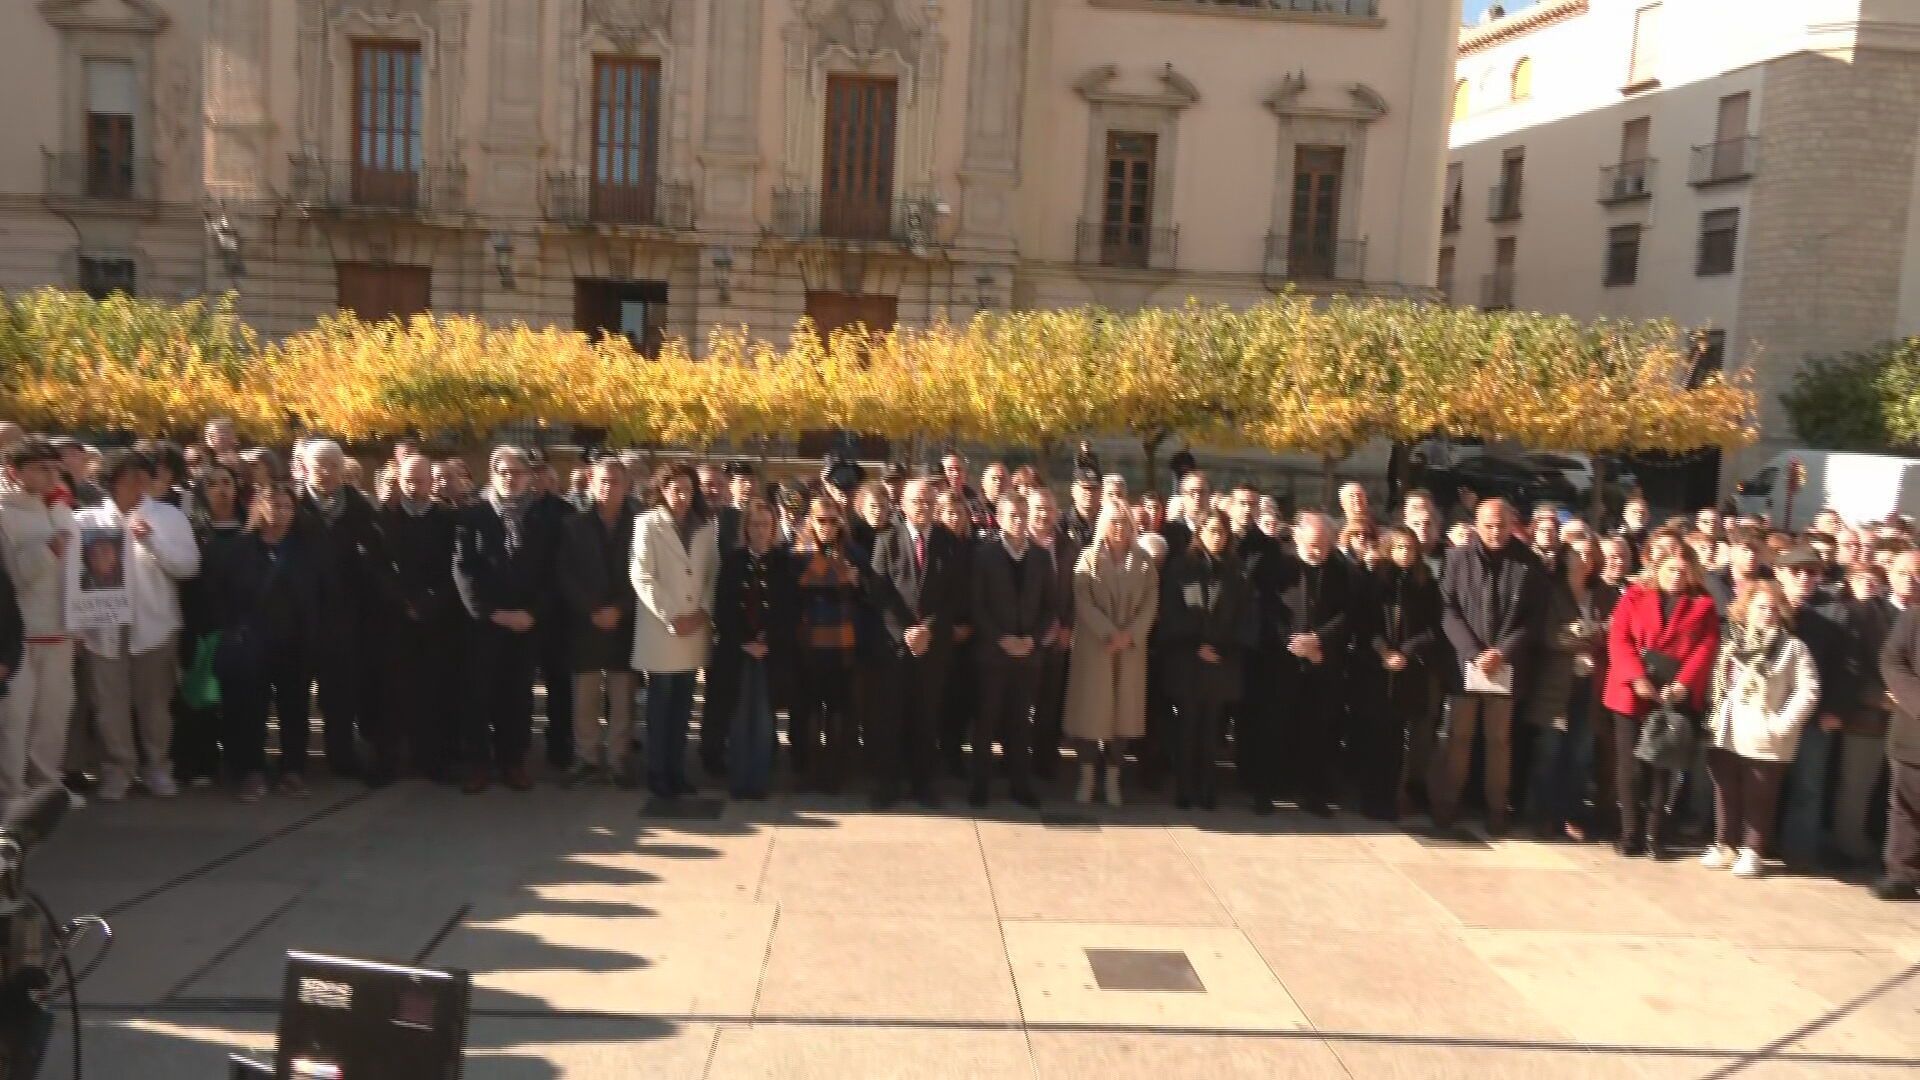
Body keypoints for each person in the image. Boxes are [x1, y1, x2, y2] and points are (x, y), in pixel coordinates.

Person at [73, 448, 200, 801]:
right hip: (103, 628)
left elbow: (189, 567)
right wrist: (78, 628)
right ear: (111, 480)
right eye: (130, 475)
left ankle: (158, 767)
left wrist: (151, 540)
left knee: (155, 705)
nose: (140, 482)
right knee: (108, 706)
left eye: (145, 474)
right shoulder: (85, 521)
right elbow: (73, 579)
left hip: (155, 626)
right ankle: (118, 770)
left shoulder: (168, 516)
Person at [454, 446, 563, 794]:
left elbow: (553, 573)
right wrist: (492, 613)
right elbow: (463, 571)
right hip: (485, 623)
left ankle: (512, 761)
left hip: (527, 622)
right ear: (492, 474)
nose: (509, 478)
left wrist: (532, 613)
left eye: (516, 472)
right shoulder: (472, 516)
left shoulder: (544, 521)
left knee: (517, 696)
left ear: (529, 477)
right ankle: (478, 764)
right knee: (477, 695)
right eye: (502, 471)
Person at [209, 482, 326, 801]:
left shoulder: (306, 549)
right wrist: (234, 629)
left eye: (287, 506)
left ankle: (293, 770)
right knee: (250, 710)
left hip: (295, 642)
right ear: (259, 508)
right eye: (273, 505)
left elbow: (320, 596)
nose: (279, 512)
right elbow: (220, 594)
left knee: (295, 708)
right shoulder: (240, 549)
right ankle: (253, 771)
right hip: (252, 643)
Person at [1697, 580, 1821, 878]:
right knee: (1725, 789)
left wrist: (1781, 724)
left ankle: (1753, 850)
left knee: (1760, 794)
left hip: (1765, 731)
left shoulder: (1793, 647)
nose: (1767, 614)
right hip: (1725, 727)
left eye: (1773, 608)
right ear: (1746, 609)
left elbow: (1809, 690)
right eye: (1760, 607)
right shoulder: (1732, 642)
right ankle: (1725, 843)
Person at [1433, 498, 1542, 834]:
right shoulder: (1456, 559)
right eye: (1488, 525)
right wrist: (1472, 652)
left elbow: (1535, 618)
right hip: (1466, 665)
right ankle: (1449, 803)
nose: (1495, 532)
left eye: (1501, 525)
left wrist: (1502, 652)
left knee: (1499, 741)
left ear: (1512, 525)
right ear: (1476, 525)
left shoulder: (1529, 564)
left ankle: (1497, 808)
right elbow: (1446, 609)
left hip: (1506, 666)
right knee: (1458, 737)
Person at [1603, 548, 1719, 858]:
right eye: (1670, 569)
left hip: (1672, 694)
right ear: (1657, 569)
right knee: (1630, 766)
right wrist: (1636, 677)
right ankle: (1630, 831)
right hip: (1631, 690)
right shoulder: (1634, 597)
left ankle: (1655, 833)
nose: (1676, 576)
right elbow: (1619, 638)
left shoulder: (1703, 605)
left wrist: (1683, 683)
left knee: (1662, 764)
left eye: (1682, 571)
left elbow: (1706, 648)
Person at [868, 479, 965, 808]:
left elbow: (954, 595)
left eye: (927, 499)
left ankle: (924, 784)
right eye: (915, 500)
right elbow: (880, 592)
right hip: (895, 645)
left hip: (932, 646)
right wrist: (908, 631)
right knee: (891, 716)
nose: (921, 505)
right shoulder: (887, 539)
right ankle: (887, 784)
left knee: (927, 716)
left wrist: (928, 630)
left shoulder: (949, 541)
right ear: (903, 505)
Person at [296, 440, 390, 781]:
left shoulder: (360, 508)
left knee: (340, 692)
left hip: (347, 616)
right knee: (294, 693)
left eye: (333, 465)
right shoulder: (292, 506)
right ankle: (294, 760)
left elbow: (378, 558)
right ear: (304, 468)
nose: (326, 472)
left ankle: (342, 755)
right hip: (300, 615)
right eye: (319, 465)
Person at [631, 462, 719, 801]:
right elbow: (642, 576)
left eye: (687, 490)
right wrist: (671, 615)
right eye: (675, 490)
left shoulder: (705, 526)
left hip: (694, 628)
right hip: (662, 628)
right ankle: (658, 772)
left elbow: (714, 573)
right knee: (660, 704)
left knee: (684, 706)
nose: (682, 497)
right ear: (663, 490)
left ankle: (677, 771)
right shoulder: (647, 524)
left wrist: (702, 613)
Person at [1063, 500, 1157, 806]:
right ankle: (1087, 778)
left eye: (1124, 523)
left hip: (1130, 650)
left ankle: (1114, 780)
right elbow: (1083, 600)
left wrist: (1129, 635)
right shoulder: (1087, 559)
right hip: (1095, 647)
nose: (1119, 528)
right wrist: (1108, 632)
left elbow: (1149, 605)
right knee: (1092, 714)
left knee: (1122, 716)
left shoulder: (1144, 562)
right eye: (1113, 522)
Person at [0, 438, 76, 807]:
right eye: (39, 469)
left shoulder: (62, 508)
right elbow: (11, 578)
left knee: (53, 715)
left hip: (62, 629)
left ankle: (47, 789)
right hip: (20, 635)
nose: (49, 476)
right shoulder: (4, 512)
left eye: (53, 468)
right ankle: (12, 794)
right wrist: (48, 551)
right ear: (14, 472)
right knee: (16, 719)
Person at [377, 454, 462, 783]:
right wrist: (402, 602)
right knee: (393, 692)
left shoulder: (448, 518)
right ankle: (388, 761)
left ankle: (434, 760)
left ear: (432, 481)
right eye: (408, 481)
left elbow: (456, 567)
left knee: (435, 691)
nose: (414, 487)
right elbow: (377, 566)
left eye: (421, 480)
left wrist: (430, 602)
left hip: (437, 617)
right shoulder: (385, 518)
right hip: (395, 617)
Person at [969, 491, 1057, 808]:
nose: (1019, 521)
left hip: (1028, 655)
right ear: (1000, 517)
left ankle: (1021, 785)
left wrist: (1032, 639)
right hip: (993, 653)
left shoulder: (1041, 557)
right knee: (987, 719)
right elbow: (977, 606)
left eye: (1023, 514)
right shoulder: (984, 555)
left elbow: (1050, 607)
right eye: (1012, 515)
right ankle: (980, 785)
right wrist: (1000, 638)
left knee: (1021, 723)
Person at [1262, 512, 1353, 816]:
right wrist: (1293, 643)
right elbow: (1269, 610)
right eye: (1313, 545)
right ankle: (1268, 791)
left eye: (1325, 546)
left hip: (1322, 662)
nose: (1319, 552)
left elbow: (1347, 615)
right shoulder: (1280, 568)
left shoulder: (1340, 571)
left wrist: (1318, 641)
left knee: (1318, 731)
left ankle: (1314, 793)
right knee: (1276, 726)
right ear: (1298, 538)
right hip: (1283, 660)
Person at [1157, 510, 1249, 809]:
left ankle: (1208, 789)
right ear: (1200, 532)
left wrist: (1222, 648)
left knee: (1212, 730)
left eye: (1222, 532)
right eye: (1211, 530)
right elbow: (1172, 613)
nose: (1217, 537)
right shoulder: (1182, 567)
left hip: (1221, 663)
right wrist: (1195, 645)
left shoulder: (1236, 571)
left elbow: (1244, 617)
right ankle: (1185, 789)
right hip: (1189, 661)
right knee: (1187, 727)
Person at [558, 457, 639, 788]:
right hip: (585, 621)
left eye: (615, 481)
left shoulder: (640, 525)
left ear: (626, 486)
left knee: (622, 694)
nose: (608, 487)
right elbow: (564, 574)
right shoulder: (573, 525)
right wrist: (591, 609)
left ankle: (619, 760)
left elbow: (645, 576)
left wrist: (620, 610)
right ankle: (587, 757)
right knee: (585, 694)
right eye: (602, 481)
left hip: (625, 620)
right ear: (591, 484)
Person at [1354, 527, 1443, 821]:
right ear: (1389, 549)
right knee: (1372, 736)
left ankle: (1390, 798)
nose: (1405, 554)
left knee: (1396, 739)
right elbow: (1365, 624)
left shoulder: (1426, 584)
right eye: (1399, 548)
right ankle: (1369, 797)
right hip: (1376, 669)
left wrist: (1405, 651)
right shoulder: (1374, 582)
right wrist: (1383, 651)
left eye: (1410, 548)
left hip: (1407, 671)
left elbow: (1432, 629)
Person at [1774, 545, 1850, 869]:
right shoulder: (1766, 604)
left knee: (1808, 784)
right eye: (1796, 571)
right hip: (1768, 711)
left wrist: (1834, 709)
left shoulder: (1836, 611)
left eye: (1812, 572)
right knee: (1764, 780)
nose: (1804, 578)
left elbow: (1848, 666)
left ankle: (1799, 853)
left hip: (1814, 716)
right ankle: (1755, 843)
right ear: (1779, 573)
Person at [1521, 544, 1603, 840]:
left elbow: (1612, 630)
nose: (1584, 560)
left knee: (1580, 753)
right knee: (1549, 750)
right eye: (1577, 554)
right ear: (1565, 558)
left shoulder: (1602, 593)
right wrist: (1584, 638)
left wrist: (1588, 634)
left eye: (1590, 554)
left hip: (1589, 687)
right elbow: (1547, 635)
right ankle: (1542, 814)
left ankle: (1571, 813)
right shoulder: (1551, 592)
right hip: (1554, 686)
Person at [714, 500, 794, 799]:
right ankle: (739, 780)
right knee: (739, 717)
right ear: (746, 528)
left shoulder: (784, 563)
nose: (760, 530)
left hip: (769, 653)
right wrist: (742, 641)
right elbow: (723, 606)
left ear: (773, 529)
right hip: (738, 651)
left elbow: (789, 608)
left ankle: (758, 781)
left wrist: (767, 640)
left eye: (766, 524)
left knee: (762, 718)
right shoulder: (733, 562)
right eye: (755, 524)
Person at [789, 495, 862, 794]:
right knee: (808, 712)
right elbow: (811, 578)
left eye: (834, 521)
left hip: (843, 643)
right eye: (821, 520)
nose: (828, 527)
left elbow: (866, 579)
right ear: (811, 521)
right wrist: (846, 575)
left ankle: (834, 772)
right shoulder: (798, 552)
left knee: (837, 713)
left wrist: (851, 575)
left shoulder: (852, 550)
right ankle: (807, 771)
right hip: (809, 644)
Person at [1831, 562, 1895, 867]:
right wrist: (1876, 697)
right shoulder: (1845, 613)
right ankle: (1848, 843)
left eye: (1876, 580)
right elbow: (1847, 666)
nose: (1870, 584)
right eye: (1863, 579)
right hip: (1862, 714)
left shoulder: (1886, 613)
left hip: (1891, 713)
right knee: (1856, 784)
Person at [1875, 549, 1920, 901]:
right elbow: (1892, 661)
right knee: (1905, 806)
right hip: (1912, 732)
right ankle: (1902, 873)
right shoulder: (1913, 619)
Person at [1028, 488, 1078, 780]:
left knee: (1050, 703)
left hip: (1058, 638)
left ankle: (1045, 761)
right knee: (1021, 705)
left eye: (1048, 509)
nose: (1043, 515)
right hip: (1027, 638)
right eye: (1037, 508)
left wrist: (1068, 627)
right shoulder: (1018, 544)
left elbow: (1074, 592)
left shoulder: (1068, 547)